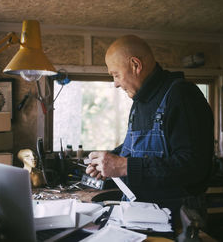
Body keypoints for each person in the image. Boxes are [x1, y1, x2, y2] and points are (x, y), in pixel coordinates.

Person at [85, 35, 214, 217]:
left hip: (177, 215)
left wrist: (124, 166)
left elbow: (193, 167)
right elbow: (135, 148)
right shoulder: (140, 101)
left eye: (116, 75)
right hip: (141, 212)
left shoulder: (182, 96)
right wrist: (109, 161)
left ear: (136, 65)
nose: (115, 84)